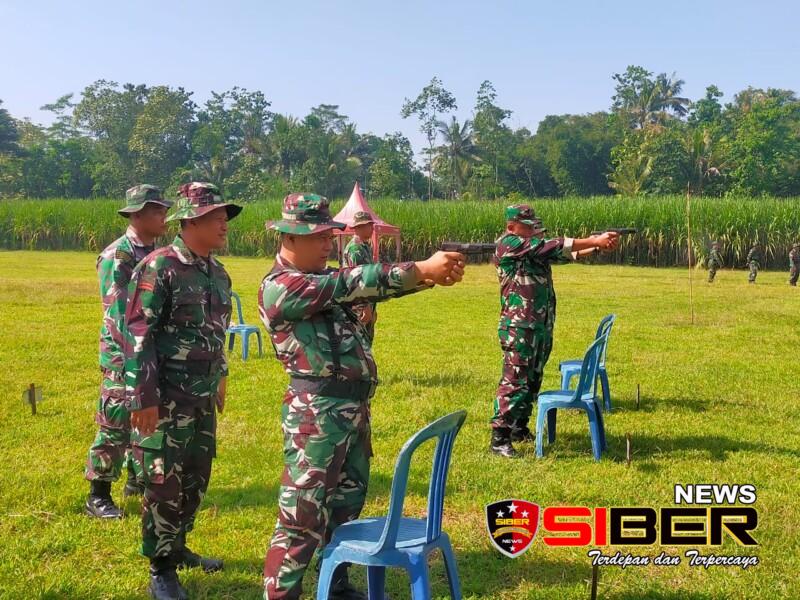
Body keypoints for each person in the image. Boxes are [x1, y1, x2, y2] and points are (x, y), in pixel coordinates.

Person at [258, 193, 464, 600]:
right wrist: (421, 268)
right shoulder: (281, 286)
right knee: (302, 516)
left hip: (350, 409)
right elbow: (350, 283)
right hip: (316, 415)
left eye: (329, 236)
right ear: (289, 237)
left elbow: (364, 288)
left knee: (346, 505)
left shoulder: (319, 280)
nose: (327, 244)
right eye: (317, 236)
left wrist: (424, 279)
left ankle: (334, 583)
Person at [124, 182, 241, 600]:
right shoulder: (160, 267)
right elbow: (139, 334)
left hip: (202, 396)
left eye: (225, 217)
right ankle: (161, 568)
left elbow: (217, 333)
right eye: (216, 217)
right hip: (166, 398)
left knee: (195, 477)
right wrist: (143, 397)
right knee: (162, 482)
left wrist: (221, 375)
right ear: (190, 221)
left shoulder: (217, 272)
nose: (224, 224)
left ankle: (178, 546)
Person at [490, 204, 619, 458]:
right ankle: (499, 437)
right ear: (511, 227)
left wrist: (597, 247)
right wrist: (594, 239)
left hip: (538, 326)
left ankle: (518, 427)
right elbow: (552, 245)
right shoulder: (509, 244)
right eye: (527, 227)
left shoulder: (532, 250)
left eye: (533, 227)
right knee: (515, 380)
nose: (532, 231)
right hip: (518, 327)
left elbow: (564, 253)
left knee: (532, 379)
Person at [85, 184, 172, 519]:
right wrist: (137, 359)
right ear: (137, 214)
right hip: (125, 357)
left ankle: (137, 480)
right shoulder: (118, 256)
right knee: (116, 423)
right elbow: (120, 316)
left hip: (150, 354)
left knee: (147, 420)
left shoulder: (155, 254)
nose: (164, 215)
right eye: (157, 210)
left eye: (164, 209)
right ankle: (98, 494)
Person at [342, 210, 378, 342]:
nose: (372, 228)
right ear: (360, 227)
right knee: (360, 343)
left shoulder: (364, 247)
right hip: (358, 306)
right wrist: (365, 306)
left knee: (366, 341)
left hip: (366, 303)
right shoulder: (355, 249)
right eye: (369, 225)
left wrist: (372, 308)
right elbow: (358, 281)